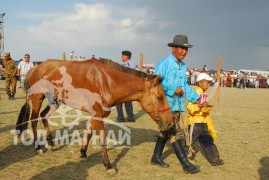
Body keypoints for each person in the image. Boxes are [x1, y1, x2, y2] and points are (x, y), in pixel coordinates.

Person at [151, 35, 207, 174]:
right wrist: (172, 88)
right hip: (165, 105)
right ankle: (185, 164)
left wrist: (197, 99)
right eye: (182, 48)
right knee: (175, 132)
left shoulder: (183, 66)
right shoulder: (163, 64)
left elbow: (185, 86)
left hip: (177, 105)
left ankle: (155, 157)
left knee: (165, 131)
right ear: (173, 48)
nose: (184, 51)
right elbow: (154, 83)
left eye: (186, 49)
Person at [186, 73, 224, 166]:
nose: (208, 84)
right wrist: (199, 106)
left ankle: (215, 160)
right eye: (207, 82)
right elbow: (190, 108)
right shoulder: (195, 94)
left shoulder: (204, 94)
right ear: (200, 83)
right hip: (195, 123)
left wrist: (207, 107)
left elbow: (205, 109)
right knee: (189, 143)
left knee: (208, 141)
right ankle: (185, 159)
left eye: (209, 82)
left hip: (203, 123)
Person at [116, 50, 135, 122]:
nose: (121, 57)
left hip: (126, 86)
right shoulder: (126, 64)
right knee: (126, 102)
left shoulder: (129, 65)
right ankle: (129, 117)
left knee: (122, 102)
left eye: (123, 55)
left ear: (127, 57)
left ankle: (124, 117)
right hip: (124, 86)